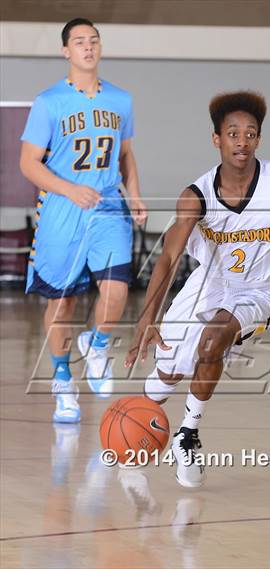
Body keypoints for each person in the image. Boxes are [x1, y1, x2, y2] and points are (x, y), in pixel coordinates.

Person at [125, 91, 270, 487]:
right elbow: (168, 257)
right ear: (217, 140)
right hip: (205, 285)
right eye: (232, 134)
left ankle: (187, 435)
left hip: (258, 290)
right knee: (169, 372)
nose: (242, 141)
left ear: (258, 139)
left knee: (214, 341)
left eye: (250, 133)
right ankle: (136, 421)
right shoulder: (196, 196)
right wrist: (147, 317)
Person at [20, 18, 147, 423]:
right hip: (63, 209)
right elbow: (27, 164)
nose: (88, 47)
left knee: (116, 289)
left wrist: (136, 195)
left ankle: (99, 343)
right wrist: (67, 189)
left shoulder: (121, 100)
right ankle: (63, 383)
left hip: (108, 205)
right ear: (66, 51)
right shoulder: (49, 102)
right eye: (79, 42)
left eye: (93, 40)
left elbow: (126, 155)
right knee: (64, 302)